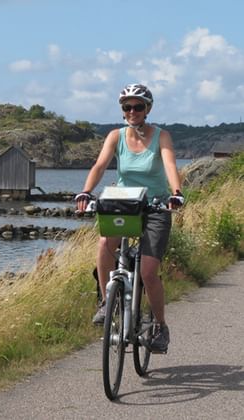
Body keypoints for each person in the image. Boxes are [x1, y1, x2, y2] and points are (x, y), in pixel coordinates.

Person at [75, 83, 184, 353]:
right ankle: (105, 302)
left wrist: (176, 193)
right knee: (104, 245)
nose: (132, 111)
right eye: (127, 107)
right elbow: (100, 165)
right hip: (124, 204)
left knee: (148, 272)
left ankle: (160, 326)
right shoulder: (116, 136)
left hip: (156, 205)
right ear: (122, 111)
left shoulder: (162, 136)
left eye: (138, 106)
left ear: (147, 109)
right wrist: (86, 192)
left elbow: (170, 165)